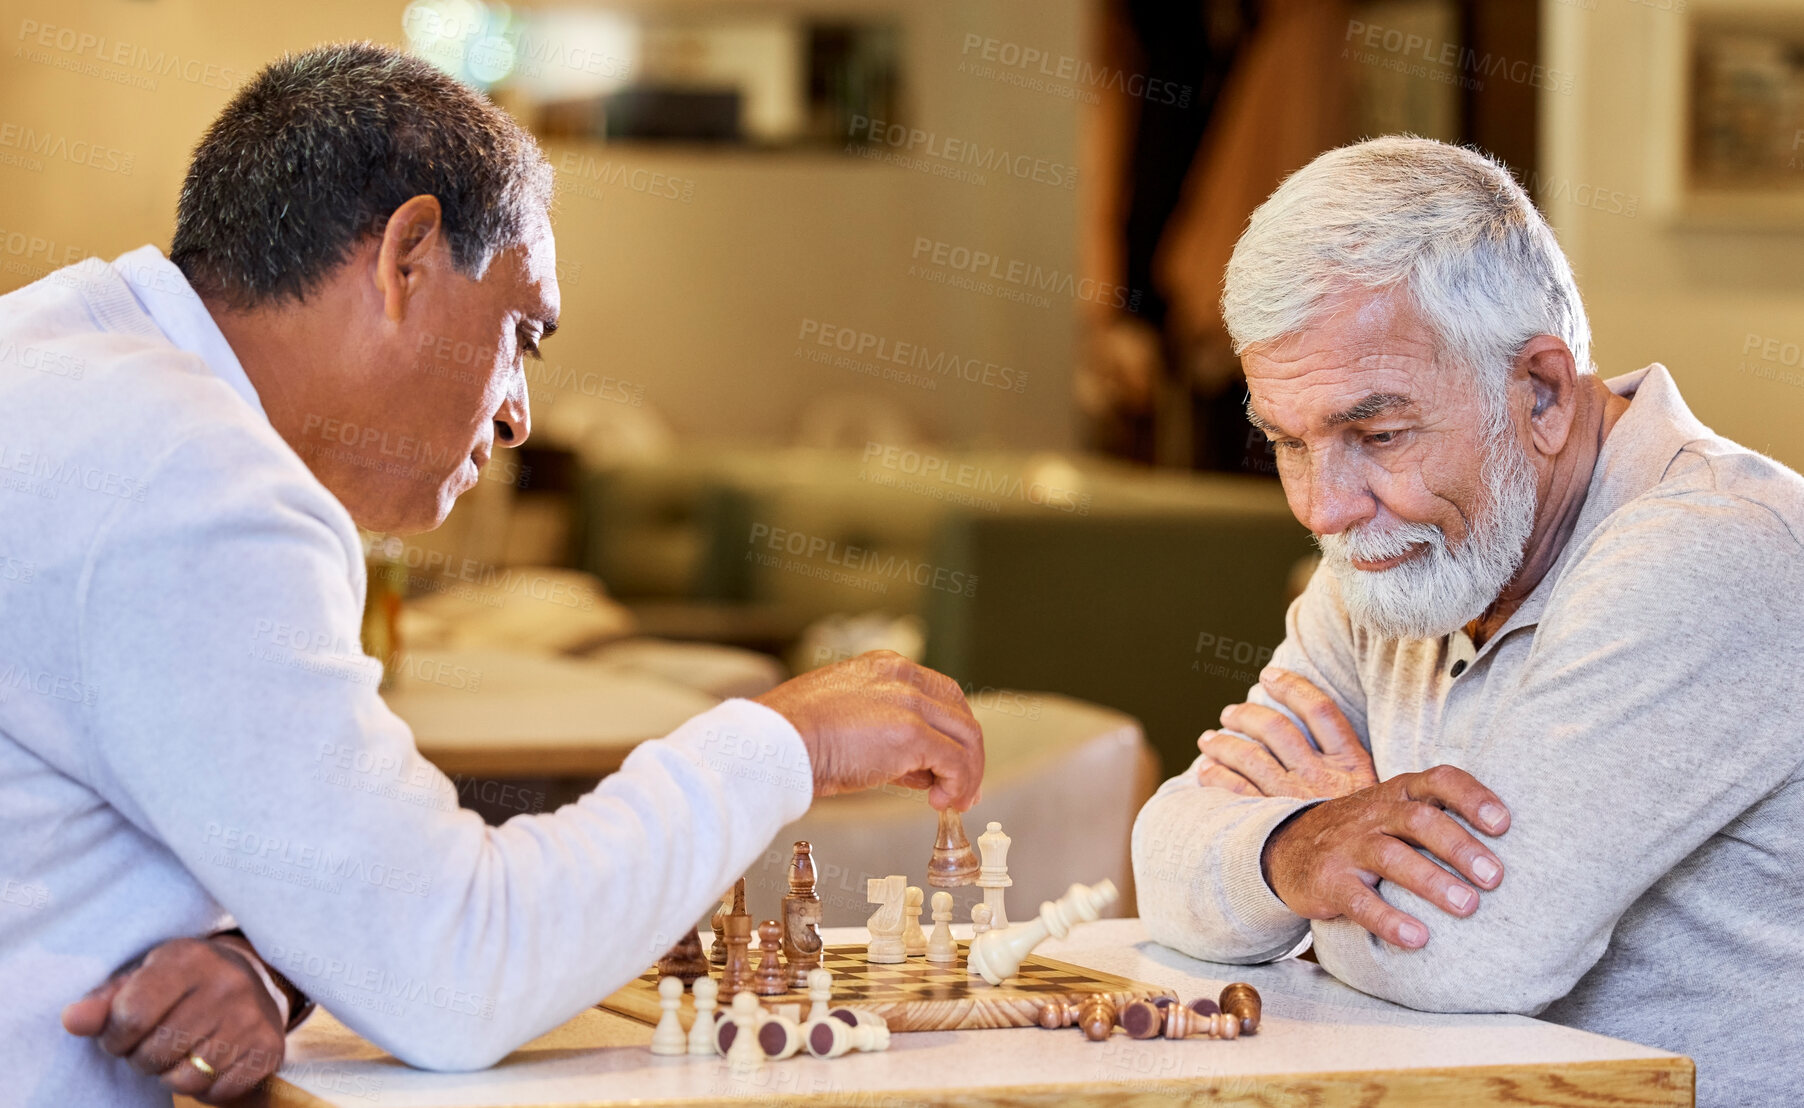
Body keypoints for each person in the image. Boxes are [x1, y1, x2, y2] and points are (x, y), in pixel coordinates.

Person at [0, 43, 983, 1107]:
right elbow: (452, 971)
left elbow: (325, 875)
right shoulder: (194, 481)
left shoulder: (61, 357)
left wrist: (267, 961)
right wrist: (787, 741)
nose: (516, 411)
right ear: (407, 256)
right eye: (521, 334)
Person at [1132, 137, 1803, 1108]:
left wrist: (1287, 880)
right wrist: (1304, 841)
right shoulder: (1398, 550)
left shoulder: (1712, 550)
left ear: (1537, 391)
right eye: (1288, 443)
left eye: (1379, 434)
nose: (1325, 508)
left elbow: (1463, 957)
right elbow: (1163, 860)